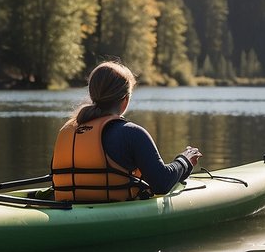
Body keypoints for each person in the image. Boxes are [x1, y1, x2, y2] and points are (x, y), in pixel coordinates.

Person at [51, 61, 202, 202]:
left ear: (93, 95)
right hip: (112, 213)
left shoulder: (66, 131)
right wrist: (185, 161)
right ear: (125, 99)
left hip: (67, 208)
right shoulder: (131, 133)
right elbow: (162, 183)